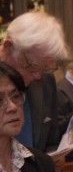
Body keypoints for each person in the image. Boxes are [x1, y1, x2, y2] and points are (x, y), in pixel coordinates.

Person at [0, 12, 67, 155]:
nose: (38, 76)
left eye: (46, 67)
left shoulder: (46, 81)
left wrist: (52, 163)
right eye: (31, 66)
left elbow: (51, 140)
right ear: (8, 47)